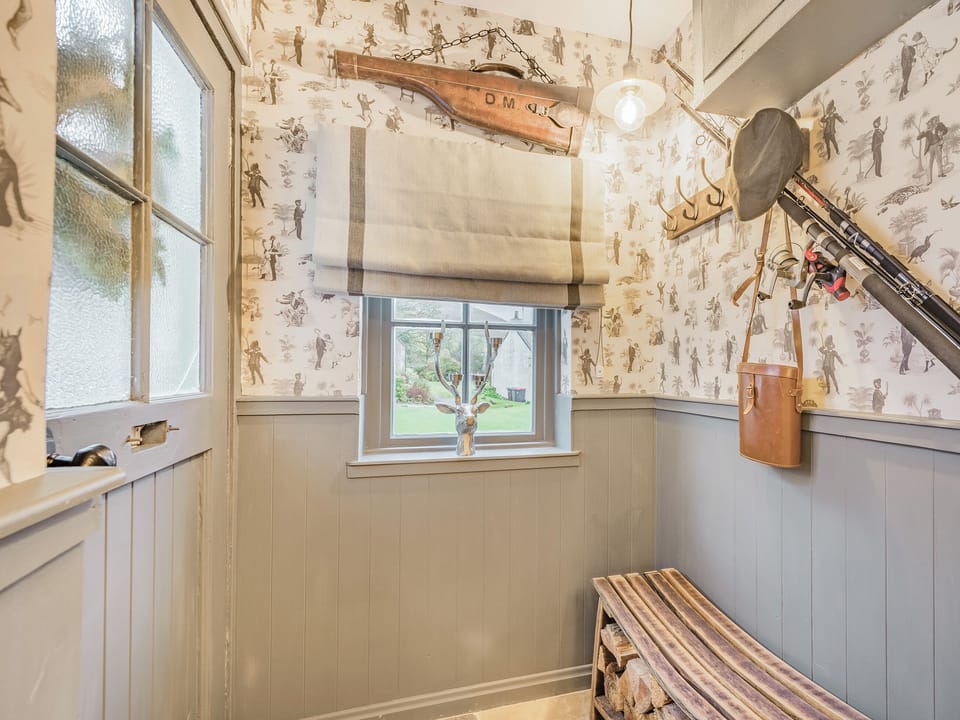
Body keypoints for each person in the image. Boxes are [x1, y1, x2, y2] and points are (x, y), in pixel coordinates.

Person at [918, 115, 948, 184]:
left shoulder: (940, 125)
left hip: (937, 145)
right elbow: (918, 138)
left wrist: (942, 132)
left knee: (939, 160)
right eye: (933, 121)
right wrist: (924, 131)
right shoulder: (927, 130)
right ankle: (929, 180)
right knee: (929, 164)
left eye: (936, 120)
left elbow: (946, 130)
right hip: (930, 148)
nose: (935, 122)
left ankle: (940, 173)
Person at [899, 33, 916, 100]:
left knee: (906, 78)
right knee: (905, 79)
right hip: (907, 66)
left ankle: (905, 90)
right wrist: (912, 61)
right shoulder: (906, 48)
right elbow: (908, 57)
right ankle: (900, 96)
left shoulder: (904, 48)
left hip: (905, 65)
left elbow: (908, 56)